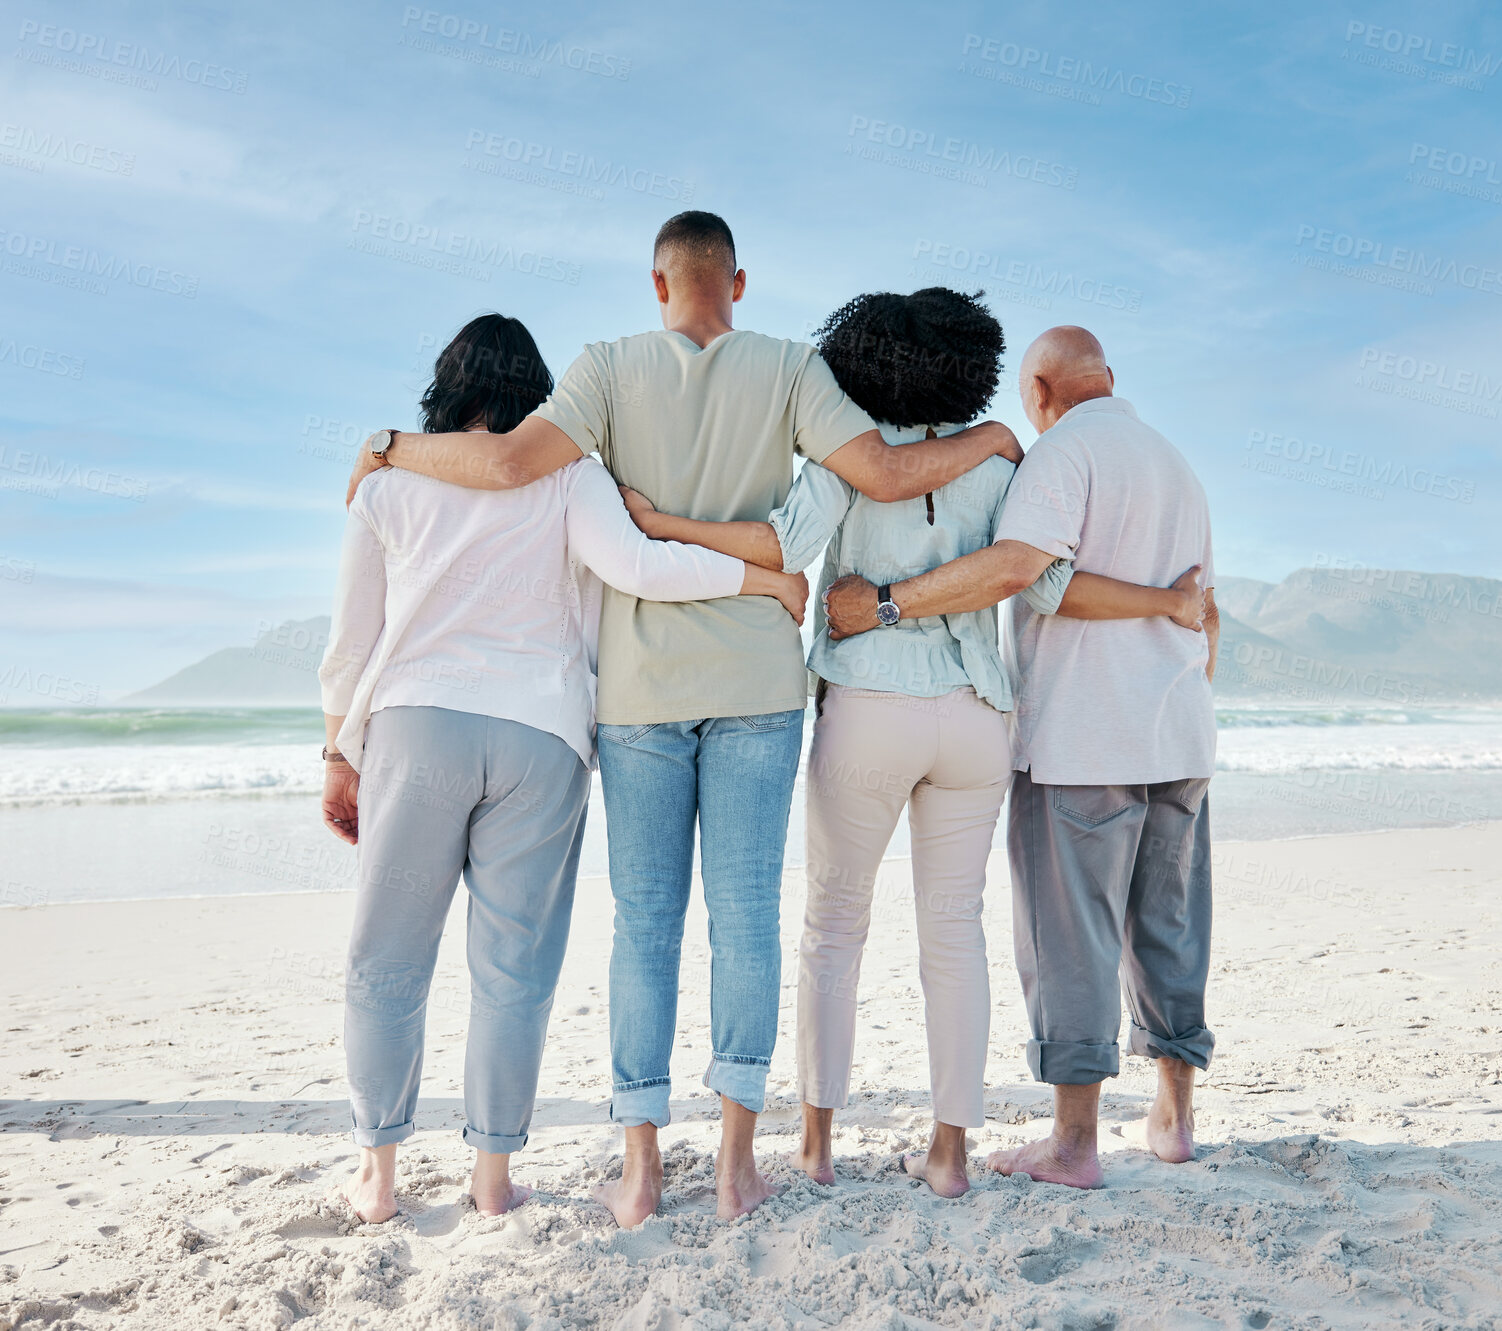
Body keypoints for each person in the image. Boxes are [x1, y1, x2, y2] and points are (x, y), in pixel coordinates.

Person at [342, 212, 1027, 1225]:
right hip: (755, 682)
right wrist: (992, 437)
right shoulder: (793, 369)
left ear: (656, 285)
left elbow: (501, 466)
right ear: (736, 283)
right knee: (745, 918)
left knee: (643, 925)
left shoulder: (605, 369)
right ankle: (741, 1165)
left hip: (636, 691)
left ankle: (639, 1168)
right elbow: (879, 475)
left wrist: (388, 446)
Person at [621, 291, 1205, 1197]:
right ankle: (949, 1156)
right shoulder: (1004, 466)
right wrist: (1169, 604)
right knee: (954, 934)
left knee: (832, 931)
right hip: (976, 717)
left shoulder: (844, 463)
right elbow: (1044, 584)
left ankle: (814, 1149)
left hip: (867, 705)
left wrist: (662, 524)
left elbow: (778, 548)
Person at [317, 313, 807, 1224]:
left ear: (445, 387)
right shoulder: (569, 472)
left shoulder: (388, 482)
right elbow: (638, 566)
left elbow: (352, 640)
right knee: (514, 968)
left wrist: (337, 752)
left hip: (419, 725)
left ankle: (379, 1177)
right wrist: (760, 581)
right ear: (540, 390)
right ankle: (493, 1181)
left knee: (386, 958)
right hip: (542, 739)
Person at [825, 324, 1219, 1189]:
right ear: (1109, 378)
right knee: (1170, 925)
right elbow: (1205, 610)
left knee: (1070, 936)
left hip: (1086, 735)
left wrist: (884, 604)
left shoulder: (1060, 456)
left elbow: (1017, 570)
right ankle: (1175, 1117)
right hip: (1181, 731)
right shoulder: (1177, 466)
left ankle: (1075, 1144)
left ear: (1039, 390)